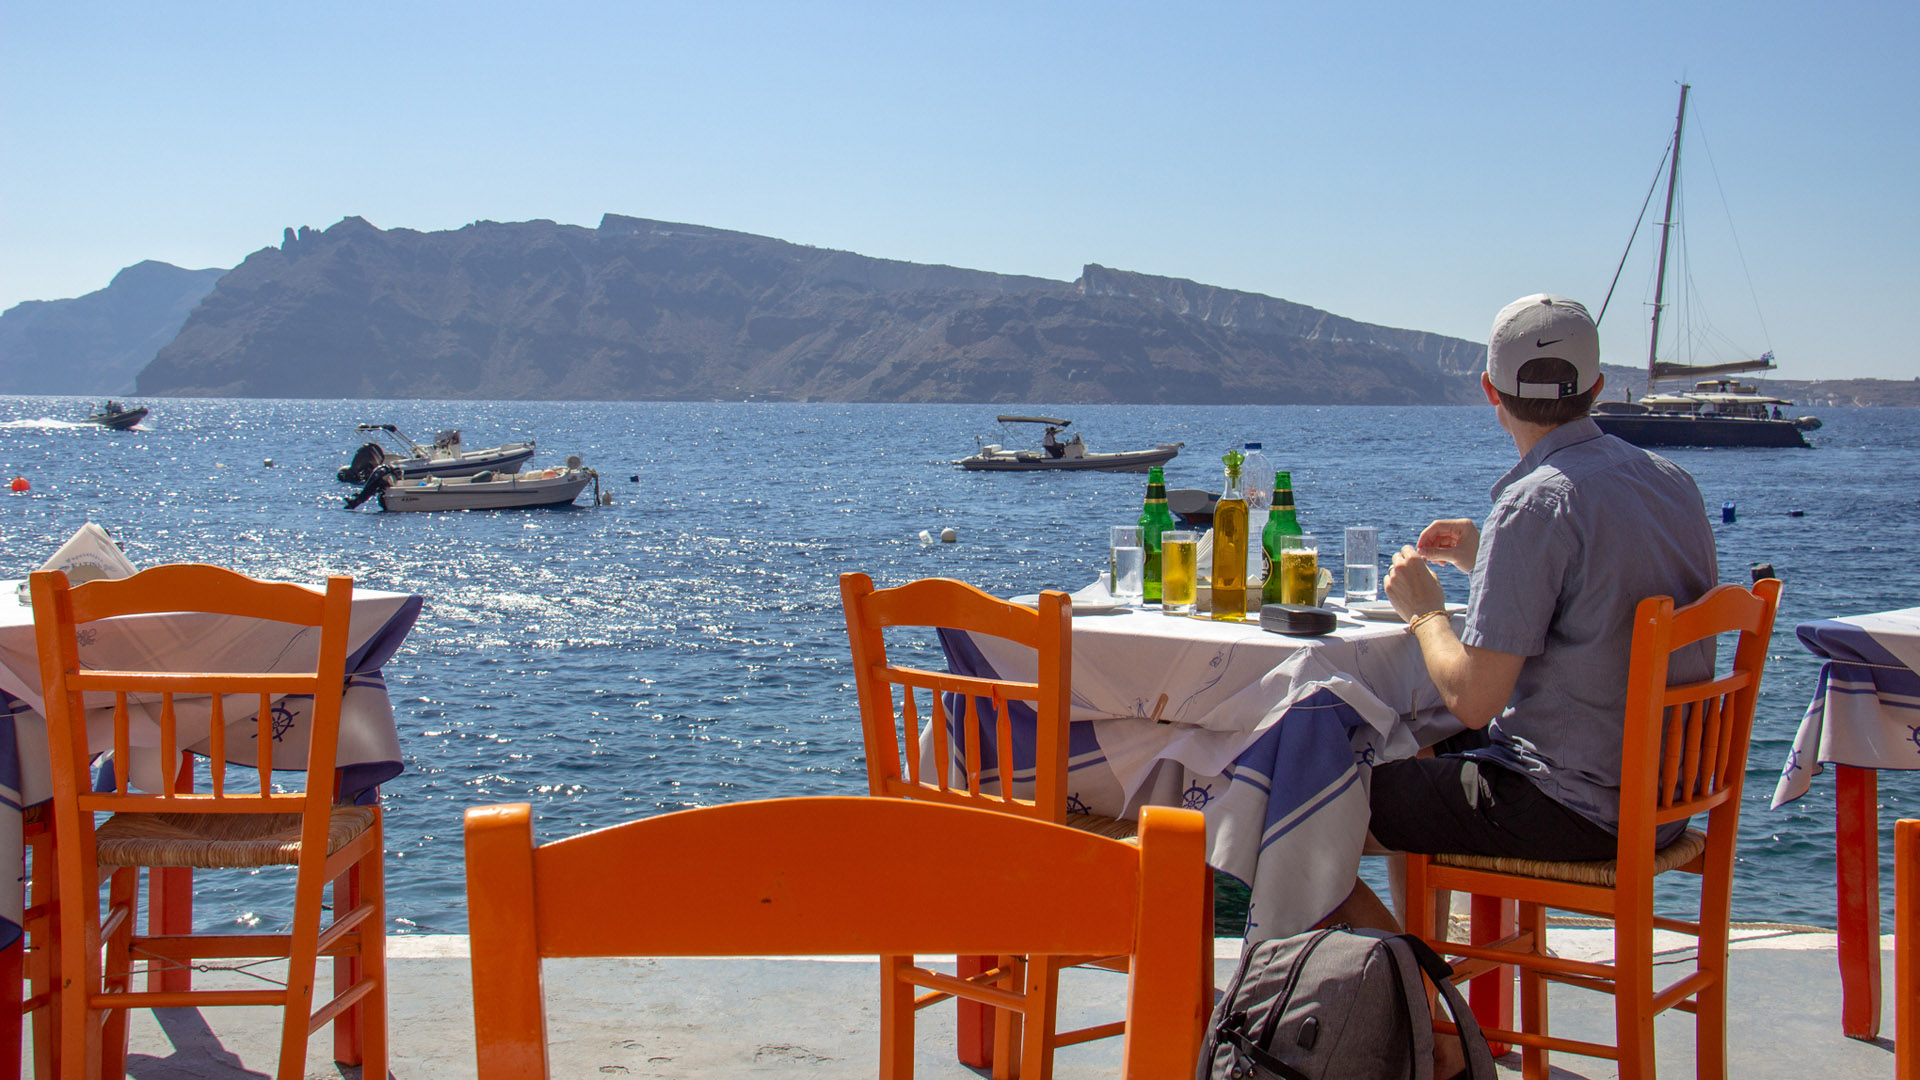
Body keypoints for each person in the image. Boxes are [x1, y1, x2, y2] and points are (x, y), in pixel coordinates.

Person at [1331, 292, 1719, 923]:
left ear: (1490, 391)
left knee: (1313, 801)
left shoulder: (1535, 504)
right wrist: (1488, 556)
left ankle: (1414, 989)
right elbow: (1604, 594)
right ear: (1595, 386)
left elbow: (1474, 698)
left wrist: (1425, 610)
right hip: (1662, 801)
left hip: (1572, 809)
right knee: (1425, 748)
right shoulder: (1672, 482)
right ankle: (1427, 968)